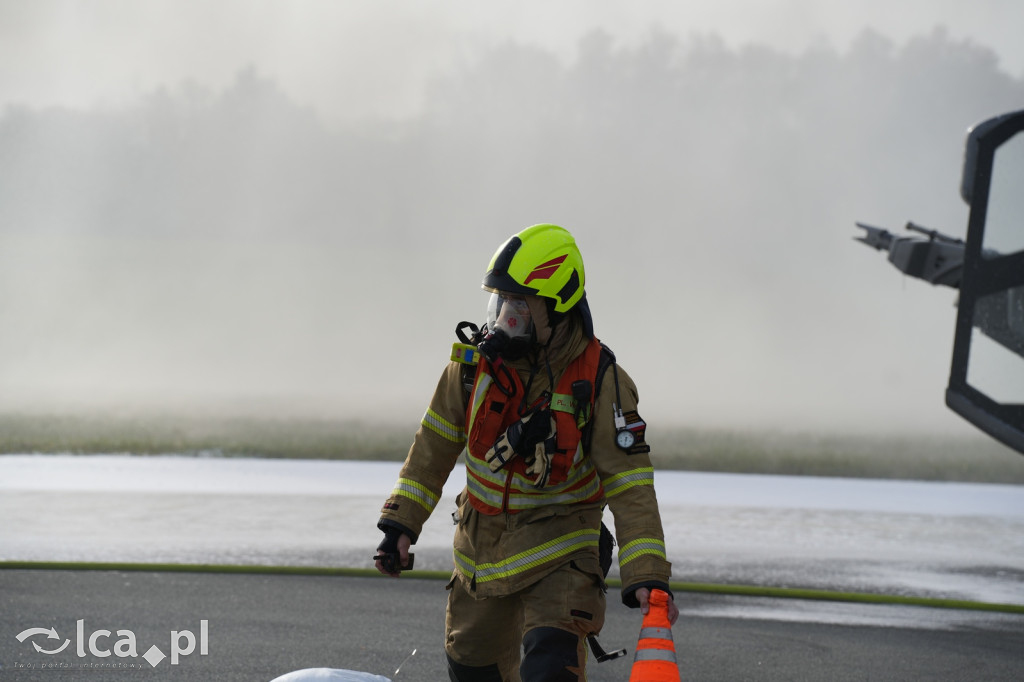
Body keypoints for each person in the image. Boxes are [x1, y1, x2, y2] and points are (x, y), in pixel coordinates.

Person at [373, 224, 677, 682]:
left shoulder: (601, 382)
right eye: (501, 302)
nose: (504, 316)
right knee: (472, 670)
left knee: (551, 668)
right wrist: (400, 524)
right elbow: (432, 446)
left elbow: (630, 485)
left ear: (556, 306)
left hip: (562, 554)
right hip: (480, 555)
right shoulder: (472, 368)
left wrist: (646, 574)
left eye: (519, 304)